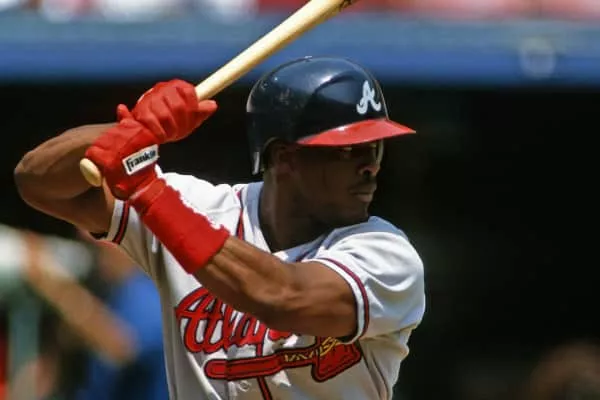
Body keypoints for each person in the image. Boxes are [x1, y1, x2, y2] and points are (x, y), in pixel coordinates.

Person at [14, 56, 426, 399]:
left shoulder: (386, 255)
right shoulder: (201, 207)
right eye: (348, 150)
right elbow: (37, 182)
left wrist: (148, 191)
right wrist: (131, 131)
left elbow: (282, 296)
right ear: (284, 157)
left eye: (375, 148)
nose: (370, 167)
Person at [18, 230, 168, 400]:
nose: (85, 237)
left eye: (96, 231)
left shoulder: (147, 291)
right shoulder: (109, 291)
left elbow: (123, 346)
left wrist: (56, 288)